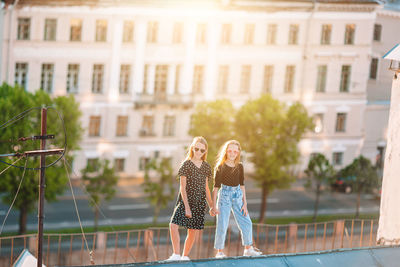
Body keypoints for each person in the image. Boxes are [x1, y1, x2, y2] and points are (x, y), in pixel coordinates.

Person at [166, 136, 215, 261]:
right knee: (173, 225)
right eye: (196, 149)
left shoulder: (206, 167)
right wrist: (187, 207)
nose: (198, 152)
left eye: (202, 150)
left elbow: (206, 188)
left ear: (205, 152)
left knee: (192, 231)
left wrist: (211, 206)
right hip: (185, 201)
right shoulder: (186, 164)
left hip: (199, 203)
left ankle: (185, 256)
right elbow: (182, 188)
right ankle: (176, 254)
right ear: (192, 148)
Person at [211, 140, 262, 258]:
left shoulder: (240, 166)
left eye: (235, 151)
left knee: (247, 222)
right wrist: (214, 206)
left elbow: (242, 185)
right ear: (226, 152)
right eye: (230, 151)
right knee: (222, 224)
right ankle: (219, 252)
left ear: (238, 152)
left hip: (238, 195)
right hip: (224, 196)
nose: (232, 153)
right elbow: (215, 188)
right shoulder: (220, 167)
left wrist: (245, 203)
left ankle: (248, 249)